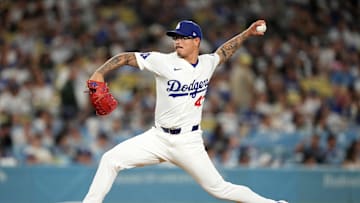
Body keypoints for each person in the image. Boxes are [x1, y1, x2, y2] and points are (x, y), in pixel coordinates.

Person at [83, 19, 288, 203]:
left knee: (219, 188)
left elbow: (225, 51)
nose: (177, 41)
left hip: (189, 141)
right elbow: (127, 57)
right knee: (110, 160)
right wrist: (99, 72)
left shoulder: (207, 63)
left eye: (183, 38)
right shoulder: (162, 61)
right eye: (176, 38)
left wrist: (247, 33)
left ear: (196, 41)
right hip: (158, 138)